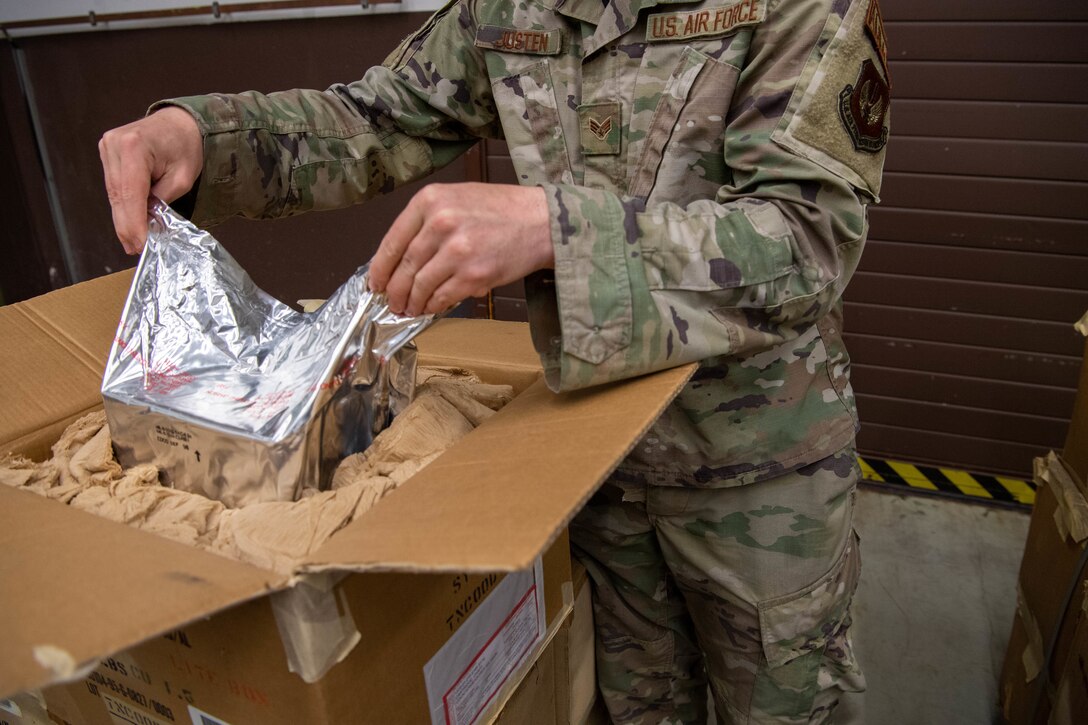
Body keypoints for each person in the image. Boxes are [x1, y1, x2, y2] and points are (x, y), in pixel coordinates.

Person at [99, 0, 890, 720]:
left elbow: (808, 239)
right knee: (639, 706)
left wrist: (554, 230)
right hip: (597, 465)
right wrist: (203, 136)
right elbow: (375, 118)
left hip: (756, 481)